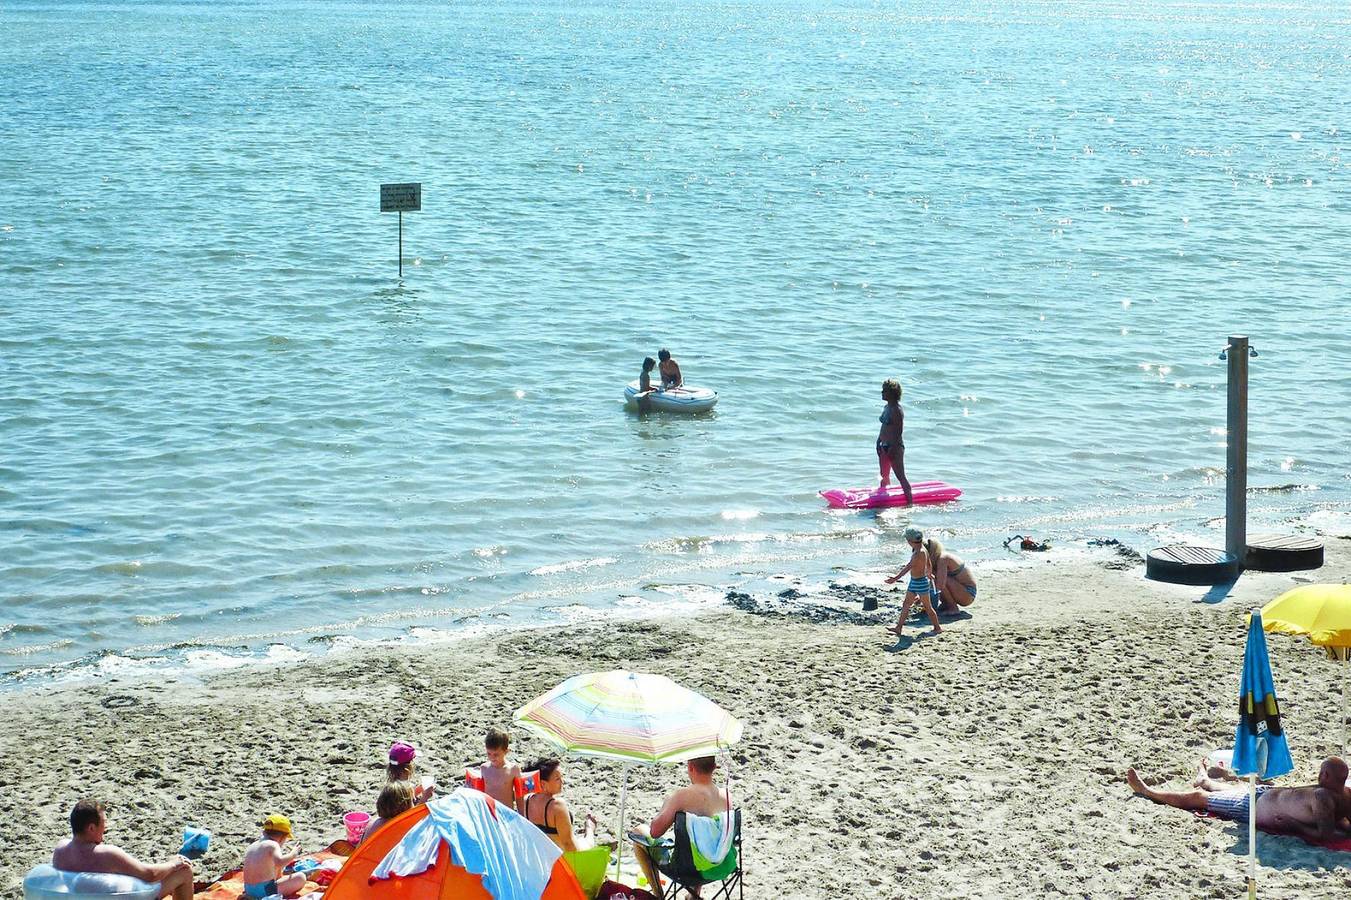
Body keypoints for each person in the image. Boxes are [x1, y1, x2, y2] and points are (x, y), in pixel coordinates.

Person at [1125, 756, 1351, 842]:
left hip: (1254, 807)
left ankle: (1148, 791)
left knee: (1198, 798)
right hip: (1263, 795)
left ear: (1326, 775)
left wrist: (1296, 826)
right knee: (1230, 788)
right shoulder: (1346, 794)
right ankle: (1205, 780)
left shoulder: (1323, 796)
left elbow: (1326, 833)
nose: (1318, 776)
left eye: (1322, 772)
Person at [629, 756, 732, 900]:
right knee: (704, 836)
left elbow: (655, 832)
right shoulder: (726, 796)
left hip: (685, 870)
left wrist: (666, 805)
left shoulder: (682, 796)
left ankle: (658, 894)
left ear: (690, 766)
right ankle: (694, 894)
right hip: (718, 866)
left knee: (638, 832)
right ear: (714, 767)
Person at [51, 800, 194, 900]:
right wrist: (174, 863)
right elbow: (150, 875)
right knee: (184, 871)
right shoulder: (106, 854)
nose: (105, 828)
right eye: (103, 823)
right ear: (91, 828)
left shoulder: (60, 849)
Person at [522, 758, 598, 852]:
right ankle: (590, 827)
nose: (562, 782)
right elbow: (569, 845)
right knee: (588, 841)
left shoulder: (526, 801)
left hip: (540, 857)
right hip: (559, 858)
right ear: (543, 784)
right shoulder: (556, 806)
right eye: (557, 779)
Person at [884, 527, 942, 637]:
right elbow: (928, 562)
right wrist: (929, 573)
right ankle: (899, 627)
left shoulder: (918, 553)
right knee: (906, 604)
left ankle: (937, 628)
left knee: (928, 607)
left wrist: (895, 578)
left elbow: (908, 567)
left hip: (920, 583)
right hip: (914, 582)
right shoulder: (922, 549)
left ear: (910, 541)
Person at [241, 814, 305, 899]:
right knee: (301, 877)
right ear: (283, 837)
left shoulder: (254, 844)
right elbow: (279, 862)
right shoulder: (273, 845)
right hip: (264, 891)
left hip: (248, 889)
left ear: (264, 832)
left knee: (272, 866)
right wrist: (293, 854)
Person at [876, 379, 913, 505]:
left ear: (892, 393)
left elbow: (898, 431)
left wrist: (892, 448)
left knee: (900, 476)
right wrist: (878, 441)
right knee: (883, 476)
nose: (882, 393)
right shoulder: (887, 407)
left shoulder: (897, 410)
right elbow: (884, 428)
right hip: (884, 445)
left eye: (884, 390)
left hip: (894, 447)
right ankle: (884, 501)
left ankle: (910, 504)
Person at [922, 537, 978, 614]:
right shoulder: (936, 561)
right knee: (935, 578)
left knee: (939, 580)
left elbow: (940, 585)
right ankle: (946, 604)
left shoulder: (943, 559)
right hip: (961, 591)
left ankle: (953, 607)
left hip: (968, 593)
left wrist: (926, 597)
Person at [359, 780, 416, 846]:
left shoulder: (373, 823)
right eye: (412, 801)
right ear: (405, 806)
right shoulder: (402, 830)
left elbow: (358, 849)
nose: (414, 803)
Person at [481, 728, 524, 812]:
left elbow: (519, 796)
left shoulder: (513, 769)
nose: (492, 757)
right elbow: (479, 794)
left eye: (496, 754)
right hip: (489, 813)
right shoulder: (484, 769)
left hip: (506, 813)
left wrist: (521, 814)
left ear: (506, 751)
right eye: (489, 753)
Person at [386, 740, 433, 804]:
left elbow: (406, 799)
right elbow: (409, 813)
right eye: (412, 761)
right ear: (407, 768)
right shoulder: (401, 790)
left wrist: (418, 790)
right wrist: (424, 798)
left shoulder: (391, 786)